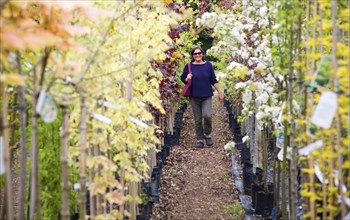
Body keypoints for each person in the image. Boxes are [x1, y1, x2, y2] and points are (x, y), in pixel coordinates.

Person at [181, 46, 224, 148]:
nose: (197, 55)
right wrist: (187, 78)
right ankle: (200, 139)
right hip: (194, 96)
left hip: (206, 95)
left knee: (207, 115)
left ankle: (207, 134)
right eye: (195, 54)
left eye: (199, 53)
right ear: (192, 55)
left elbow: (213, 80)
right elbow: (183, 78)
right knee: (197, 119)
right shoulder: (189, 66)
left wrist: (220, 92)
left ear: (202, 54)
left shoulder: (208, 65)